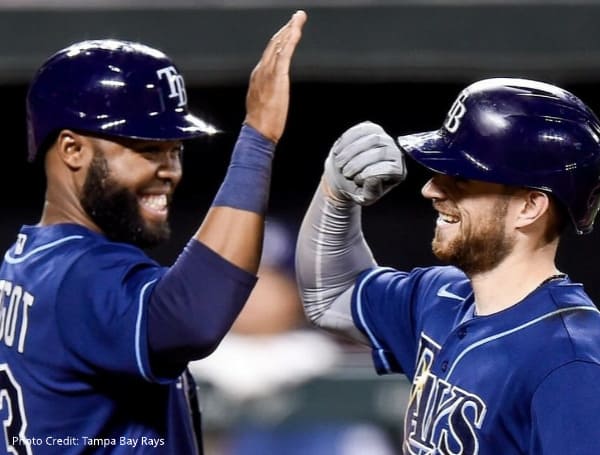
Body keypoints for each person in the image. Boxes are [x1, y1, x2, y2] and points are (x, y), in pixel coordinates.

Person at [0, 10, 306, 455]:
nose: (170, 171)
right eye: (147, 150)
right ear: (72, 149)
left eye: (174, 150)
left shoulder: (29, 260)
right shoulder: (79, 272)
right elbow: (190, 320)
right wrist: (258, 138)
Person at [295, 77, 600, 454]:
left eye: (461, 178)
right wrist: (335, 196)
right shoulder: (440, 296)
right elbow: (330, 295)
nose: (431, 189)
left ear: (529, 207)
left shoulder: (572, 361)